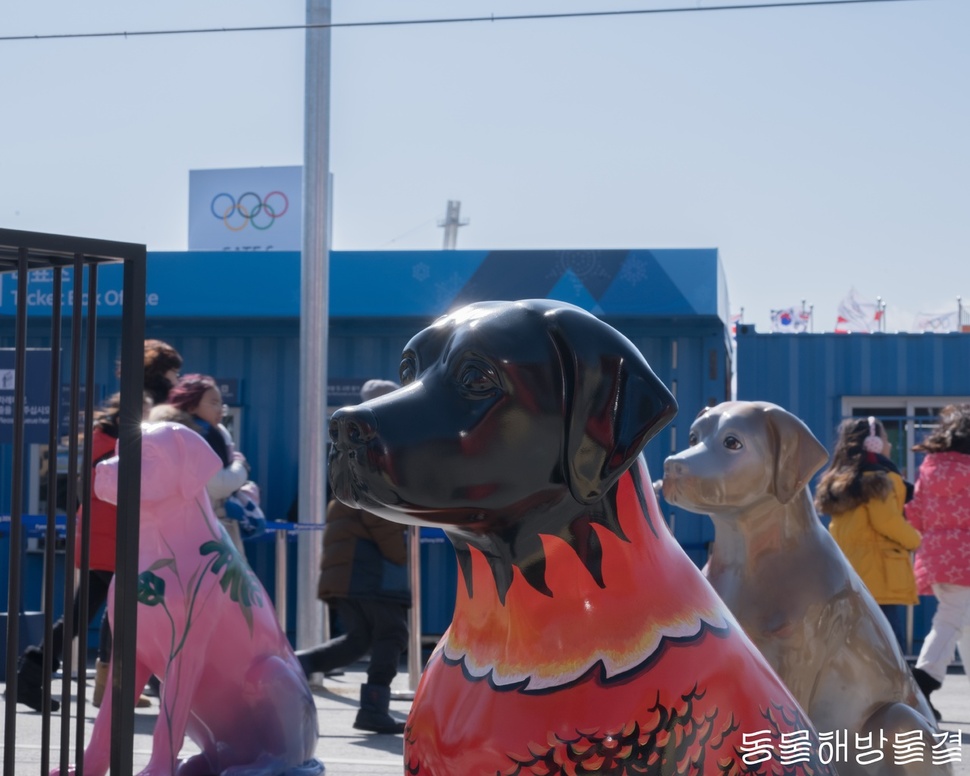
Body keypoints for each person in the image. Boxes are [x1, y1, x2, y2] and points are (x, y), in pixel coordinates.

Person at [15, 339, 182, 712]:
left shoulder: (105, 429)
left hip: (99, 532)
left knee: (85, 614)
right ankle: (116, 685)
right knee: (124, 611)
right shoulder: (133, 428)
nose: (177, 377)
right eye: (174, 369)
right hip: (118, 535)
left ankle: (34, 674)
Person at [296, 379, 410, 735]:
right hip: (370, 568)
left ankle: (288, 667)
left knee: (358, 639)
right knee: (391, 633)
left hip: (351, 567)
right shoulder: (381, 448)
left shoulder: (354, 444)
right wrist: (401, 556)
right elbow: (381, 511)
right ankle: (373, 708)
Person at [815, 416, 922, 645]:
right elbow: (887, 522)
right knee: (891, 644)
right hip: (880, 572)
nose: (890, 444)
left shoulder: (841, 482)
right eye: (885, 438)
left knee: (857, 641)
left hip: (851, 571)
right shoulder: (879, 480)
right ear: (872, 443)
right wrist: (915, 540)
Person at [907, 404, 970, 721]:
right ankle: (924, 680)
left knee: (961, 621)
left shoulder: (930, 467)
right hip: (966, 556)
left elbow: (915, 513)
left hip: (936, 555)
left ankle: (924, 684)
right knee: (951, 620)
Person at [149, 374, 250, 552]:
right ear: (192, 405)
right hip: (203, 531)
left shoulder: (176, 431)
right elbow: (217, 484)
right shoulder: (197, 434)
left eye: (221, 403)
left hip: (176, 530)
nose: (220, 409)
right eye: (213, 403)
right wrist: (241, 467)